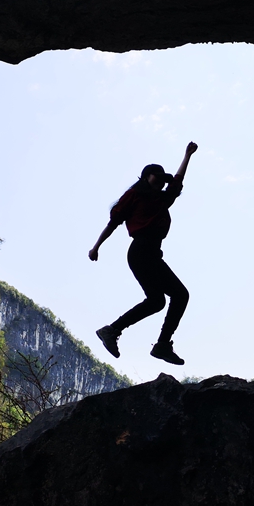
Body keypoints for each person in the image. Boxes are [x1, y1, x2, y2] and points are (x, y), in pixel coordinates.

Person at [88, 141, 199, 365]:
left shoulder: (161, 200)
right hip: (141, 250)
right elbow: (114, 222)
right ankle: (123, 334)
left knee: (169, 298)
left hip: (151, 252)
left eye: (161, 180)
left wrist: (187, 155)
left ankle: (154, 343)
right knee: (165, 298)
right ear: (146, 177)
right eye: (156, 178)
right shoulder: (134, 195)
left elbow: (176, 183)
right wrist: (96, 246)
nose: (160, 182)